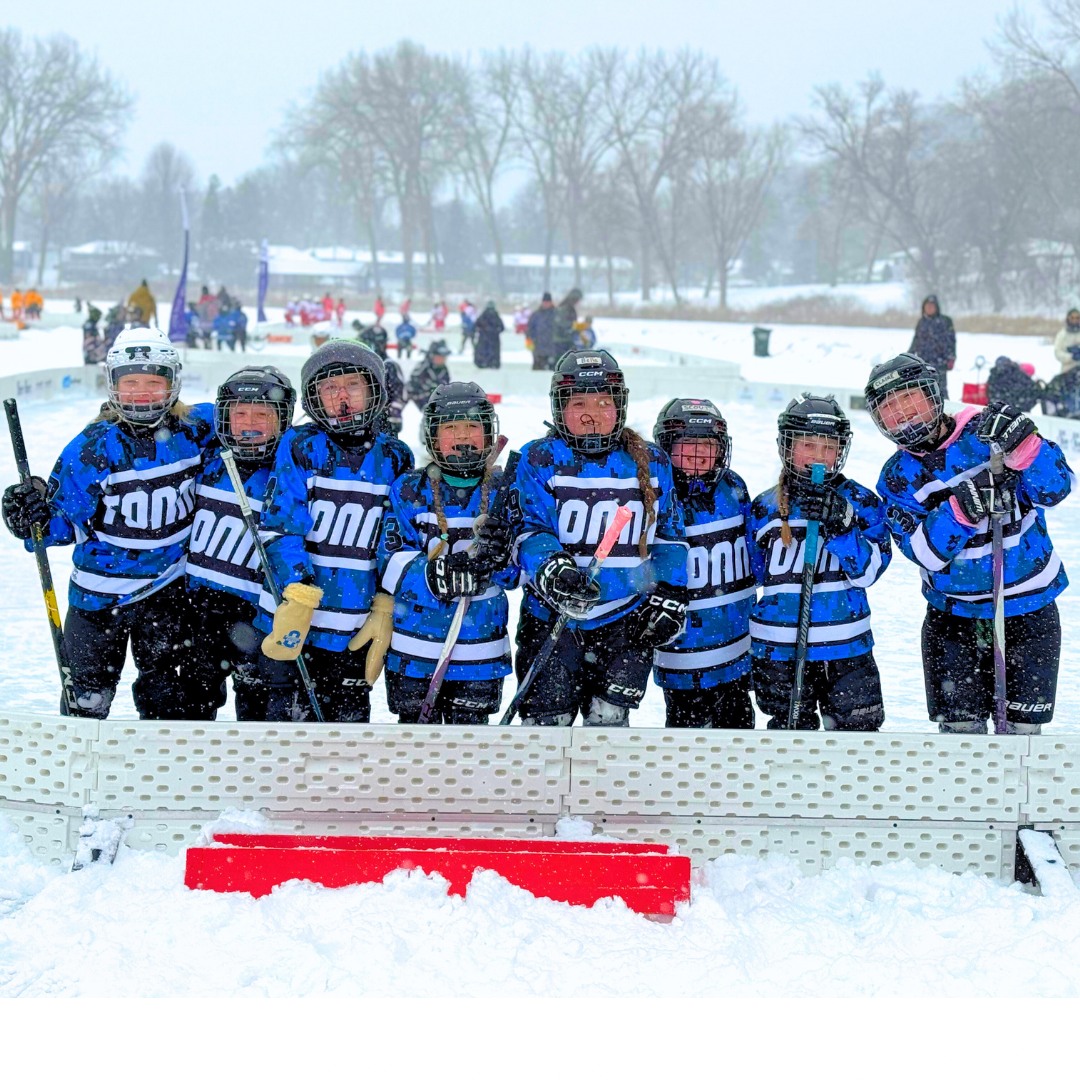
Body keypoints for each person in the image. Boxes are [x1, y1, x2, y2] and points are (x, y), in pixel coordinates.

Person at [1, 327, 215, 719]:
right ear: (113, 384)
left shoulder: (197, 429)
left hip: (168, 592)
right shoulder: (93, 447)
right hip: (98, 598)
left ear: (173, 382)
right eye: (131, 382)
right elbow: (63, 525)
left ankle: (168, 755)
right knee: (86, 702)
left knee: (170, 700)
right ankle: (80, 757)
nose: (142, 393)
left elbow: (252, 427)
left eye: (153, 382)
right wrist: (29, 516)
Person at [866, 353, 1073, 735]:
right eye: (889, 409)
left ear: (933, 393)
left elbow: (1055, 489)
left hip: (1030, 609)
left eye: (909, 397)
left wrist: (1028, 449)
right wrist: (961, 509)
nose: (903, 413)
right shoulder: (897, 478)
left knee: (1023, 738)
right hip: (953, 619)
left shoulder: (987, 432)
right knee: (961, 742)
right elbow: (924, 553)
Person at [512, 350, 688, 727]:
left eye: (603, 403)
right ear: (560, 408)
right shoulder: (539, 458)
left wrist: (669, 592)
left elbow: (670, 537)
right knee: (546, 728)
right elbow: (529, 527)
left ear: (620, 406)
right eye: (579, 403)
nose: (592, 414)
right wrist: (552, 569)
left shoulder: (652, 462)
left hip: (626, 620)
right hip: (551, 616)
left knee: (608, 727)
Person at [254, 340, 414, 723]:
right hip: (295, 619)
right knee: (283, 731)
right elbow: (280, 523)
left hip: (354, 625)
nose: (342, 397)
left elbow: (398, 540)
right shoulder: (300, 445)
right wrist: (297, 589)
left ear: (373, 391)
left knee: (347, 737)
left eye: (352, 386)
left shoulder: (395, 457)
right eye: (330, 388)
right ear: (315, 398)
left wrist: (385, 601)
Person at [749, 394, 891, 731]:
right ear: (787, 447)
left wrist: (842, 528)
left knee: (857, 739)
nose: (818, 456)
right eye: (808, 445)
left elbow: (869, 573)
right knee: (790, 738)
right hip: (779, 649)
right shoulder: (764, 508)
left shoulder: (860, 501)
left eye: (828, 447)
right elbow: (754, 575)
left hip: (847, 647)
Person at [378, 382, 518, 724]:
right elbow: (388, 560)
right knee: (415, 746)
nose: (463, 436)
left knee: (471, 747)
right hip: (414, 648)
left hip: (480, 648)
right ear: (432, 436)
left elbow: (517, 574)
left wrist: (502, 556)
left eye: (472, 426)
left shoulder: (505, 491)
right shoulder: (409, 489)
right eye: (451, 427)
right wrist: (433, 575)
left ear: (489, 434)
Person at [182, 367, 296, 720]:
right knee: (190, 709)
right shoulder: (208, 458)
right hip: (201, 609)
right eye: (240, 414)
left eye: (262, 415)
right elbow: (182, 416)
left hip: (257, 612)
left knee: (257, 713)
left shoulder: (290, 471)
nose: (249, 424)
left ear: (283, 420)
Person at [651, 399, 756, 728]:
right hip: (683, 658)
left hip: (737, 650)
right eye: (686, 446)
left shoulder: (734, 487)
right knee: (688, 746)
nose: (697, 455)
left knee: (740, 739)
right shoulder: (656, 494)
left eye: (707, 447)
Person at [909, 294, 955, 400]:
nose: (929, 308)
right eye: (927, 306)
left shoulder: (945, 321)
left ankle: (945, 408)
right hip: (923, 361)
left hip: (940, 362)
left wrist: (951, 357)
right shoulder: (922, 322)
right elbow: (916, 340)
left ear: (936, 307)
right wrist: (909, 355)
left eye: (932, 306)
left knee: (941, 390)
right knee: (923, 390)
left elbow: (951, 341)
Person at [407, 339, 452, 409]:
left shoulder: (444, 370)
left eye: (444, 357)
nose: (442, 359)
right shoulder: (422, 368)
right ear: (432, 356)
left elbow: (445, 386)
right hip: (420, 402)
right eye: (439, 357)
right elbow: (412, 388)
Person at [526, 291, 557, 371]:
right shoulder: (536, 315)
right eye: (544, 302)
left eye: (547, 302)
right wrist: (529, 341)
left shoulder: (556, 314)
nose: (546, 304)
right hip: (538, 348)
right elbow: (529, 329)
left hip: (552, 349)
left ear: (551, 302)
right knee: (538, 371)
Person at [552, 288, 583, 362]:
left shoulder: (569, 308)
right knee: (563, 362)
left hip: (565, 340)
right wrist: (574, 328)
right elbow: (561, 324)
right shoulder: (564, 308)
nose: (578, 302)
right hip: (561, 341)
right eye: (578, 300)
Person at [473, 301, 504, 370]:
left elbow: (475, 325)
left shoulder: (483, 316)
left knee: (483, 350)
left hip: (484, 337)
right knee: (493, 351)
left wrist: (480, 330)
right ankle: (493, 363)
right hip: (493, 338)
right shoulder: (496, 316)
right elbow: (502, 327)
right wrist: (496, 331)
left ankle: (483, 362)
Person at [1053, 309, 1080, 375]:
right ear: (1068, 319)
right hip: (1067, 371)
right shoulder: (1062, 335)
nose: (1075, 320)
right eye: (1072, 318)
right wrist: (1071, 357)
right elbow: (1057, 352)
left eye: (1077, 318)